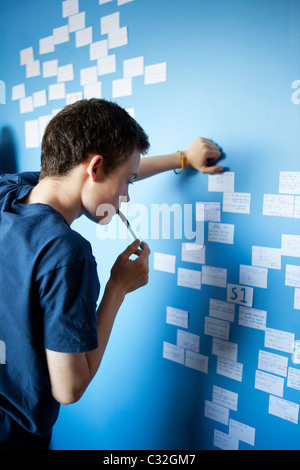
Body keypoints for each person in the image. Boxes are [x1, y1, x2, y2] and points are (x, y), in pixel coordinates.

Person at [0, 98, 223, 450]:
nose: (127, 196)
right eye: (128, 182)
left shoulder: (9, 190)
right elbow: (69, 389)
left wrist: (182, 159)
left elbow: (106, 173)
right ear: (95, 167)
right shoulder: (67, 253)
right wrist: (117, 288)